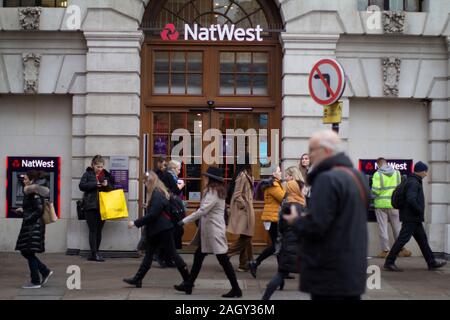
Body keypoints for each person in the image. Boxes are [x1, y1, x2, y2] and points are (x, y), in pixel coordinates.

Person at [283, 130, 369, 300]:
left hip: (329, 271)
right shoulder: (358, 176)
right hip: (352, 268)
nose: (310, 155)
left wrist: (296, 221)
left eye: (312, 150)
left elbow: (317, 225)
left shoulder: (327, 179)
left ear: (327, 151)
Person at [174, 167, 242, 298]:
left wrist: (184, 221)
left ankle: (236, 289)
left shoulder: (213, 192)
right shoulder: (217, 191)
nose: (205, 179)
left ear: (211, 179)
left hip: (213, 231)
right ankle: (189, 284)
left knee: (223, 260)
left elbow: (202, 211)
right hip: (211, 230)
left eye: (207, 177)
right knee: (198, 256)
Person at [123, 171, 190, 288]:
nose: (144, 184)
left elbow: (153, 214)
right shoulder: (159, 192)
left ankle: (188, 280)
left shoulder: (157, 193)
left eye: (144, 182)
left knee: (173, 254)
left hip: (162, 230)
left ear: (149, 182)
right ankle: (138, 279)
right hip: (158, 230)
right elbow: (157, 211)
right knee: (149, 254)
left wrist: (135, 223)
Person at [384, 161, 447, 272]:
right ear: (422, 171)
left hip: (413, 218)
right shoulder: (414, 182)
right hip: (411, 217)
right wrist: (419, 210)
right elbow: (411, 199)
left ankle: (431, 262)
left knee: (423, 240)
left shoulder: (411, 180)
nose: (426, 174)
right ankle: (389, 262)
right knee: (402, 240)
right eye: (425, 172)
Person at [261, 166, 305, 300]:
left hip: (287, 247)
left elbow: (281, 227)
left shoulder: (285, 207)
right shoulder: (299, 207)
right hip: (298, 249)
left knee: (280, 274)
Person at [15, 170, 54, 289]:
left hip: (33, 226)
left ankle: (36, 281)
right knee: (26, 251)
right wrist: (23, 209)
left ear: (32, 181)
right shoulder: (32, 191)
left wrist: (27, 217)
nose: (23, 180)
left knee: (28, 252)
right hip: (31, 225)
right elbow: (33, 207)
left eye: (26, 179)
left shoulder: (34, 192)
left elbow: (39, 209)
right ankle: (44, 271)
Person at [248, 166, 285, 278]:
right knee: (275, 245)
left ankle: (283, 270)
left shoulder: (275, 183)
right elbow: (283, 197)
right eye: (279, 171)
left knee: (278, 245)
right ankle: (255, 262)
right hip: (272, 218)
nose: (281, 172)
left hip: (273, 217)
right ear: (273, 173)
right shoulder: (273, 185)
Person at [372, 157, 411, 258]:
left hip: (381, 205)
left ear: (379, 164)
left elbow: (375, 190)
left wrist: (371, 195)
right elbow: (400, 188)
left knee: (383, 228)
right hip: (394, 204)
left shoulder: (377, 174)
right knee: (397, 227)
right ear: (387, 163)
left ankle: (385, 251)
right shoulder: (397, 173)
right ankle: (402, 249)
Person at [79, 155, 114, 262]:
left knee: (99, 230)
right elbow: (81, 186)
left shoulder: (106, 175)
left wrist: (106, 185)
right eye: (98, 166)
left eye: (101, 166)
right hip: (90, 206)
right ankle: (94, 253)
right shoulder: (87, 174)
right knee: (93, 230)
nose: (100, 169)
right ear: (93, 165)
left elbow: (111, 189)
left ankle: (96, 252)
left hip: (103, 206)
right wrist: (96, 184)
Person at [227, 155, 255, 272]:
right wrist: (244, 205)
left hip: (247, 209)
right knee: (247, 236)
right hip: (244, 210)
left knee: (246, 236)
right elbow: (237, 194)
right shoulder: (242, 175)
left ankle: (245, 264)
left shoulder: (246, 174)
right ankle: (226, 254)